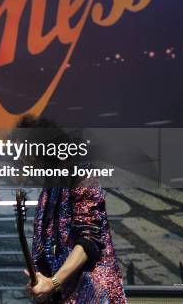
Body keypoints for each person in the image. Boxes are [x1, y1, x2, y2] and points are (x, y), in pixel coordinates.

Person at [19, 116, 126, 303]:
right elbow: (46, 251)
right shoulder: (49, 190)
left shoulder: (81, 174)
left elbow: (89, 240)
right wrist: (40, 283)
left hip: (92, 292)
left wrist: (52, 283)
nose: (20, 159)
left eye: (23, 151)